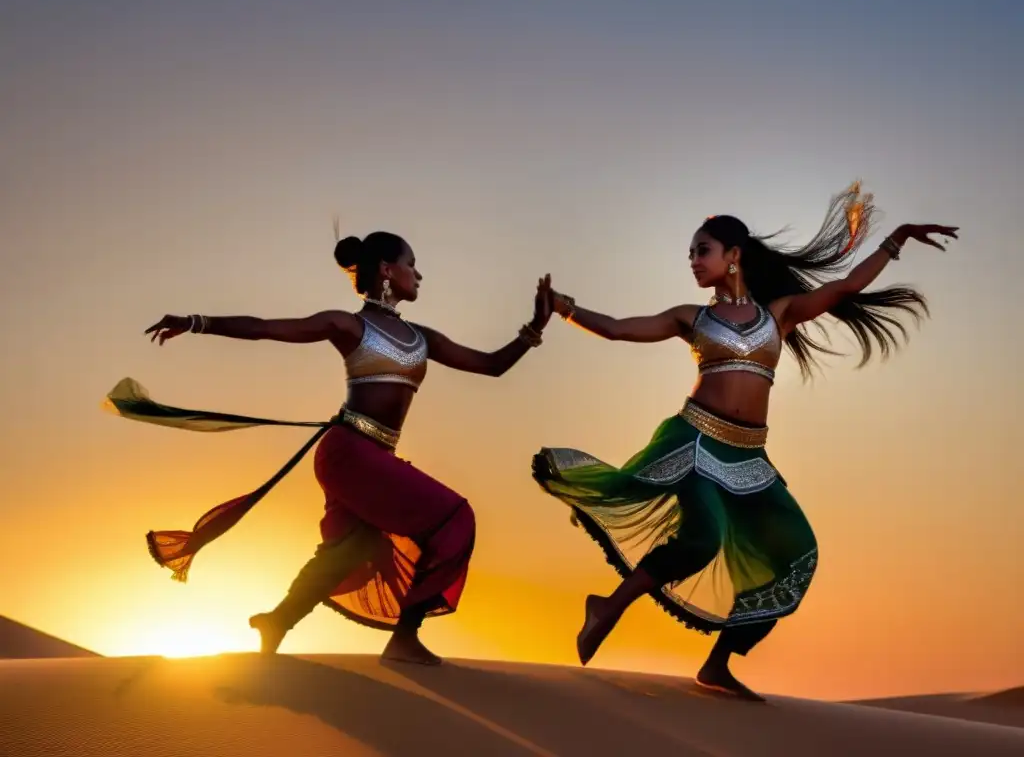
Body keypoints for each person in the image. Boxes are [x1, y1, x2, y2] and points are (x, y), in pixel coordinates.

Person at [531, 182, 957, 700]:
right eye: (690, 252)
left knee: (797, 551)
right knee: (703, 539)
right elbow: (621, 329)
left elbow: (844, 287)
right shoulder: (692, 317)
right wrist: (563, 307)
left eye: (702, 250)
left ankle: (718, 664)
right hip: (693, 444)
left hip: (748, 456)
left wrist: (898, 240)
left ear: (733, 256)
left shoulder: (779, 313)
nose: (692, 259)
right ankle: (609, 605)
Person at [105, 230, 552, 665]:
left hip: (374, 458)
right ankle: (404, 638)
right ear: (386, 269)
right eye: (412, 265)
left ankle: (277, 621)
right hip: (349, 453)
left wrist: (535, 325)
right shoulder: (347, 324)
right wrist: (196, 323)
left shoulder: (423, 338)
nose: (420, 274)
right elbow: (266, 329)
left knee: (352, 550)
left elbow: (492, 366)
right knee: (455, 516)